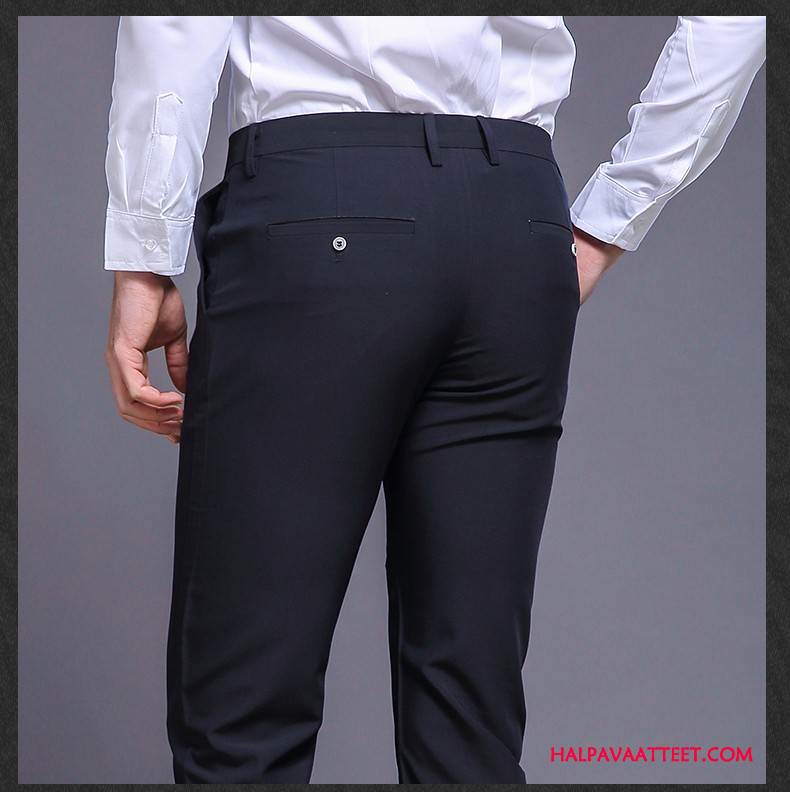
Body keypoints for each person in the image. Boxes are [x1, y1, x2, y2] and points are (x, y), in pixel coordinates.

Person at [102, 16, 766, 784]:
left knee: (241, 722)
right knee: (469, 730)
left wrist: (145, 255)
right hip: (515, 209)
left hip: (320, 200)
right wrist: (610, 216)